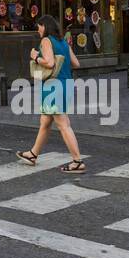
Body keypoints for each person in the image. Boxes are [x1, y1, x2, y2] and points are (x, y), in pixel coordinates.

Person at [16, 14, 85, 173]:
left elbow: (49, 62)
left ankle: (77, 161)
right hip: (66, 84)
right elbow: (76, 63)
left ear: (45, 26)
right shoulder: (63, 42)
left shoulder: (46, 41)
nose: (38, 30)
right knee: (45, 121)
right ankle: (33, 154)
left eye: (39, 26)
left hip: (53, 86)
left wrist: (36, 57)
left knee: (63, 124)